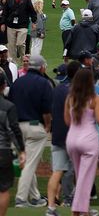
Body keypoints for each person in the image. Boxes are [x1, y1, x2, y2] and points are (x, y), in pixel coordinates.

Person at [9, 55, 51, 208]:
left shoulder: (18, 82)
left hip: (16, 128)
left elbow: (11, 106)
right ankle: (21, 199)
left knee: (27, 162)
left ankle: (36, 197)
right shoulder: (44, 83)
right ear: (41, 67)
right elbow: (47, 110)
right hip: (34, 126)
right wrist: (47, 127)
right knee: (30, 164)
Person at [63, 68, 98, 216]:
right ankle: (79, 210)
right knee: (86, 177)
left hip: (72, 138)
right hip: (89, 138)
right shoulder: (94, 98)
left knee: (80, 175)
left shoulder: (70, 98)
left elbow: (67, 120)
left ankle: (82, 210)